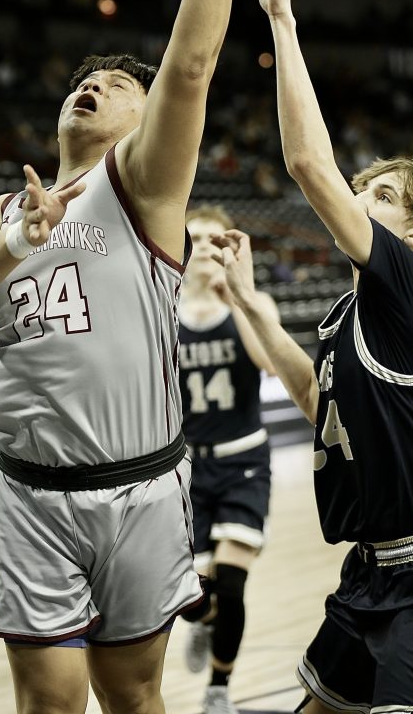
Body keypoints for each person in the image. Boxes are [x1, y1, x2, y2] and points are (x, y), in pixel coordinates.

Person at [0, 0, 269, 714]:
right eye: (85, 81)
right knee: (48, 705)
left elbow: (191, 68)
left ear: (142, 119)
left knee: (132, 697)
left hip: (141, 487)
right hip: (31, 493)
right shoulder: (6, 210)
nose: (95, 85)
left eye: (120, 86)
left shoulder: (143, 189)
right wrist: (17, 239)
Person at [212, 0, 413, 714]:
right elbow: (314, 397)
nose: (363, 199)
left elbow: (305, 160)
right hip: (369, 571)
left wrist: (283, 22)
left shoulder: (404, 277)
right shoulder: (350, 312)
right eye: (365, 189)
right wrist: (252, 306)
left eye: (385, 195)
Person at [178, 203, 281, 714]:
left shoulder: (253, 302)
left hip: (243, 460)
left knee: (233, 583)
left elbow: (267, 361)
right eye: (194, 237)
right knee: (193, 596)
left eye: (215, 240)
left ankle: (219, 688)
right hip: (186, 472)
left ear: (229, 249)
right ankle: (202, 622)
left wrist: (238, 298)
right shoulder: (163, 309)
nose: (203, 247)